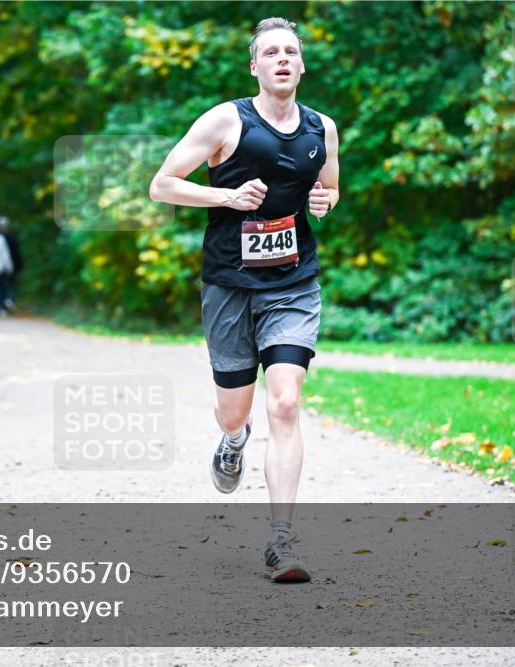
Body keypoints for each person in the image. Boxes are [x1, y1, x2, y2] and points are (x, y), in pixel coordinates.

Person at [148, 17, 339, 582]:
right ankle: (233, 440)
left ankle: (282, 541)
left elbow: (326, 191)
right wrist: (227, 196)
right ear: (255, 66)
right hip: (230, 286)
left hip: (293, 282)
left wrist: (324, 204)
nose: (282, 59)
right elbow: (163, 184)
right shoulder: (226, 120)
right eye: (271, 52)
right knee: (236, 408)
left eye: (291, 52)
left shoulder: (321, 128)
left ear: (302, 65)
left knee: (284, 402)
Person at [0, 215, 24, 311]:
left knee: (6, 283)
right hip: (4, 265)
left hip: (3, 265)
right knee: (9, 283)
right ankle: (8, 300)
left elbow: (16, 252)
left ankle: (6, 301)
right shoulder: (9, 237)